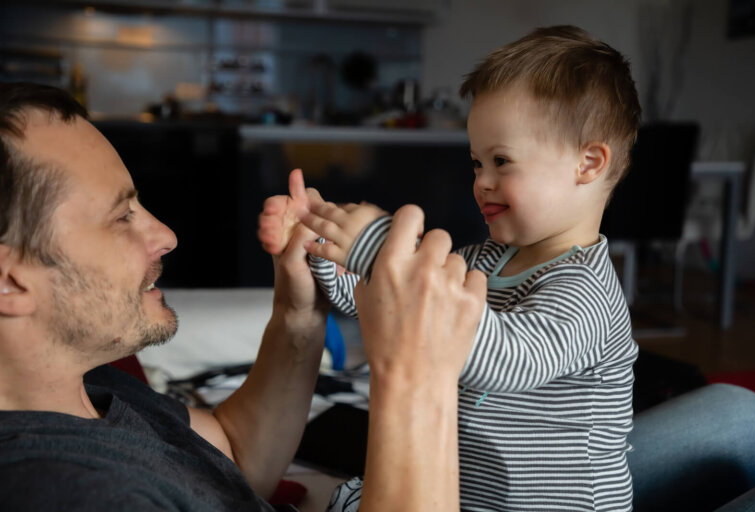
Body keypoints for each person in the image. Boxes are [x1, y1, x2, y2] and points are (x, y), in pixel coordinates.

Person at [0, 82, 487, 511]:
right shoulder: (68, 490)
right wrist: (417, 374)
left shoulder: (85, 392)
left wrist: (298, 313)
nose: (166, 235)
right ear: (10, 281)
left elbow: (230, 457)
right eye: (121, 216)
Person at [259, 25, 641, 511]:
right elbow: (386, 299)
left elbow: (508, 357)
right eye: (477, 163)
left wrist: (376, 246)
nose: (482, 182)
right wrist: (323, 246)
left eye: (502, 161)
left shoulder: (586, 289)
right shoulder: (482, 258)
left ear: (587, 163)